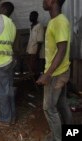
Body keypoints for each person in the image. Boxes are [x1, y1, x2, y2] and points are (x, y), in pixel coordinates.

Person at [36, 0, 73, 140]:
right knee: (62, 104)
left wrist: (47, 74)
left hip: (56, 75)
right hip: (61, 72)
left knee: (49, 109)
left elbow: (62, 50)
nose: (43, 2)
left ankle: (58, 138)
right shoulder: (56, 21)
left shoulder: (59, 21)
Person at [26, 11, 44, 78]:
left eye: (32, 16)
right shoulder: (31, 26)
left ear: (36, 17)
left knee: (34, 68)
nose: (31, 17)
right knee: (30, 68)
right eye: (30, 16)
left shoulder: (39, 26)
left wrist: (37, 54)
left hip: (35, 51)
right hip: (30, 50)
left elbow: (40, 41)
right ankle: (32, 82)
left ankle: (36, 82)